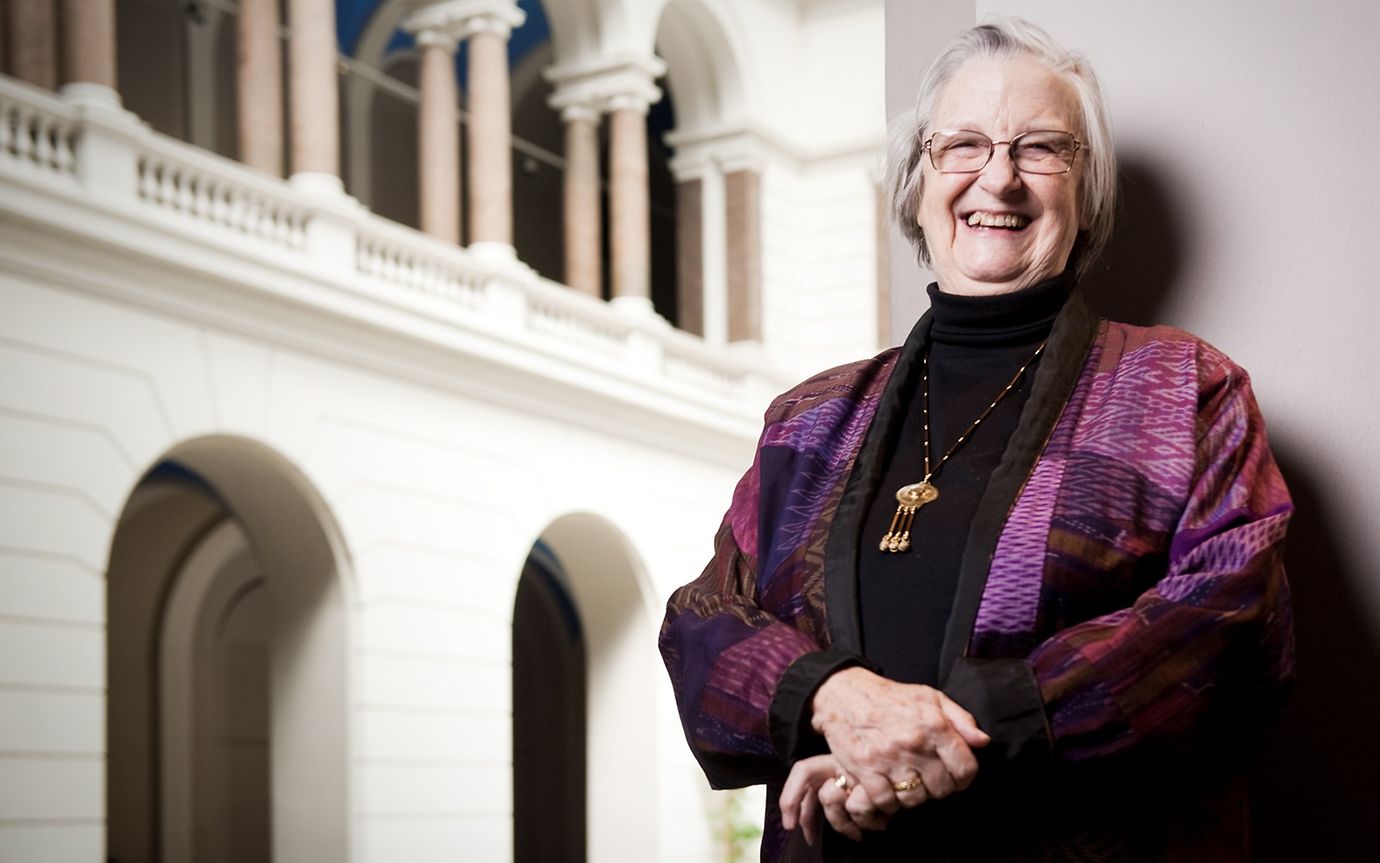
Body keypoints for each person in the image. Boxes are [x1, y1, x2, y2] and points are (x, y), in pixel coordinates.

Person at [658, 17, 1294, 863]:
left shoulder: (1184, 388)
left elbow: (1235, 618)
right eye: (963, 144)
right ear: (917, 180)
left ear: (1085, 186)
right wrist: (832, 700)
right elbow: (701, 622)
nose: (998, 178)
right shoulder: (808, 417)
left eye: (1040, 148)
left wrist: (945, 742)